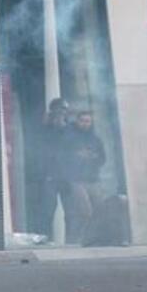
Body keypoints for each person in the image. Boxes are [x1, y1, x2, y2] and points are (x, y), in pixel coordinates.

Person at [38, 98, 91, 244]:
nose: (61, 113)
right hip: (50, 176)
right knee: (48, 211)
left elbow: (77, 150)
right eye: (59, 109)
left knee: (74, 211)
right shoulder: (45, 130)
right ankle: (46, 240)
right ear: (53, 111)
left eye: (64, 110)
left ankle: (71, 241)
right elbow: (39, 151)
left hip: (68, 177)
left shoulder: (71, 130)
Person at [70, 110, 107, 209]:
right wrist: (78, 156)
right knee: (84, 210)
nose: (84, 124)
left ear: (91, 123)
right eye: (82, 121)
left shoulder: (96, 140)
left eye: (87, 121)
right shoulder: (69, 138)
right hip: (77, 181)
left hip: (94, 180)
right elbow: (64, 156)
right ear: (77, 121)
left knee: (99, 208)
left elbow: (103, 159)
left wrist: (93, 157)